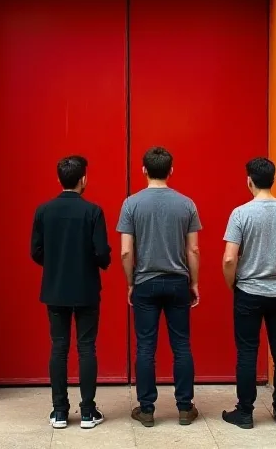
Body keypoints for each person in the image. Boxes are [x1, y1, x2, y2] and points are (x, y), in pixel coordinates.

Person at [117, 146, 201, 427]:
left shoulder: (131, 204)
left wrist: (131, 282)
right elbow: (194, 250)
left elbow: (126, 252)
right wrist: (195, 282)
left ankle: (147, 409)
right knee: (181, 345)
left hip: (145, 282)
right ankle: (185, 408)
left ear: (144, 170)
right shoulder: (187, 204)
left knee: (145, 347)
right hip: (178, 282)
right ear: (171, 170)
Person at [220, 157, 276, 429]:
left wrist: (231, 283)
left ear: (249, 180)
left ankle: (245, 413)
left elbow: (229, 259)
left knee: (247, 351)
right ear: (273, 179)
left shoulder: (241, 214)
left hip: (248, 291)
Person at [31, 155, 111, 430]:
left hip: (55, 289)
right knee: (87, 347)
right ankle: (88, 412)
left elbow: (36, 251)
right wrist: (98, 262)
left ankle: (60, 412)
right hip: (86, 288)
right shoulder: (93, 211)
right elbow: (102, 252)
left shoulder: (43, 211)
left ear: (59, 179)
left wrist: (55, 265)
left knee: (59, 347)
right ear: (83, 180)